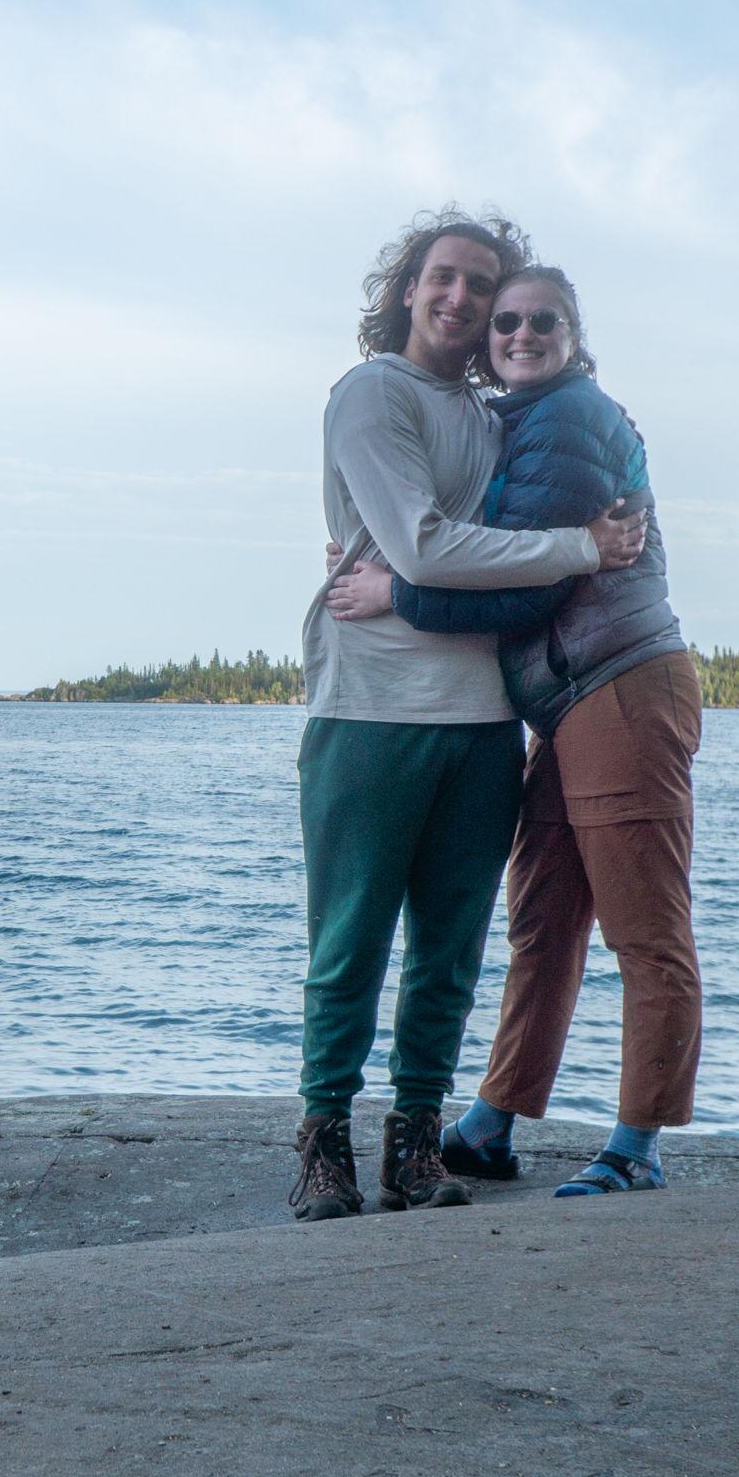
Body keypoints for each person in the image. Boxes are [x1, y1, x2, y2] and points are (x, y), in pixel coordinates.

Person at [293, 213, 646, 1223]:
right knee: (348, 939)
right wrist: (579, 547)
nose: (457, 298)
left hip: (483, 716)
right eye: (440, 277)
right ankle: (323, 1145)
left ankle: (413, 1142)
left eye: (477, 286)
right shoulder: (368, 394)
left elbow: (462, 542)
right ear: (407, 286)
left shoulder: (497, 415)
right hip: (368, 709)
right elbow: (423, 546)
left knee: (449, 946)